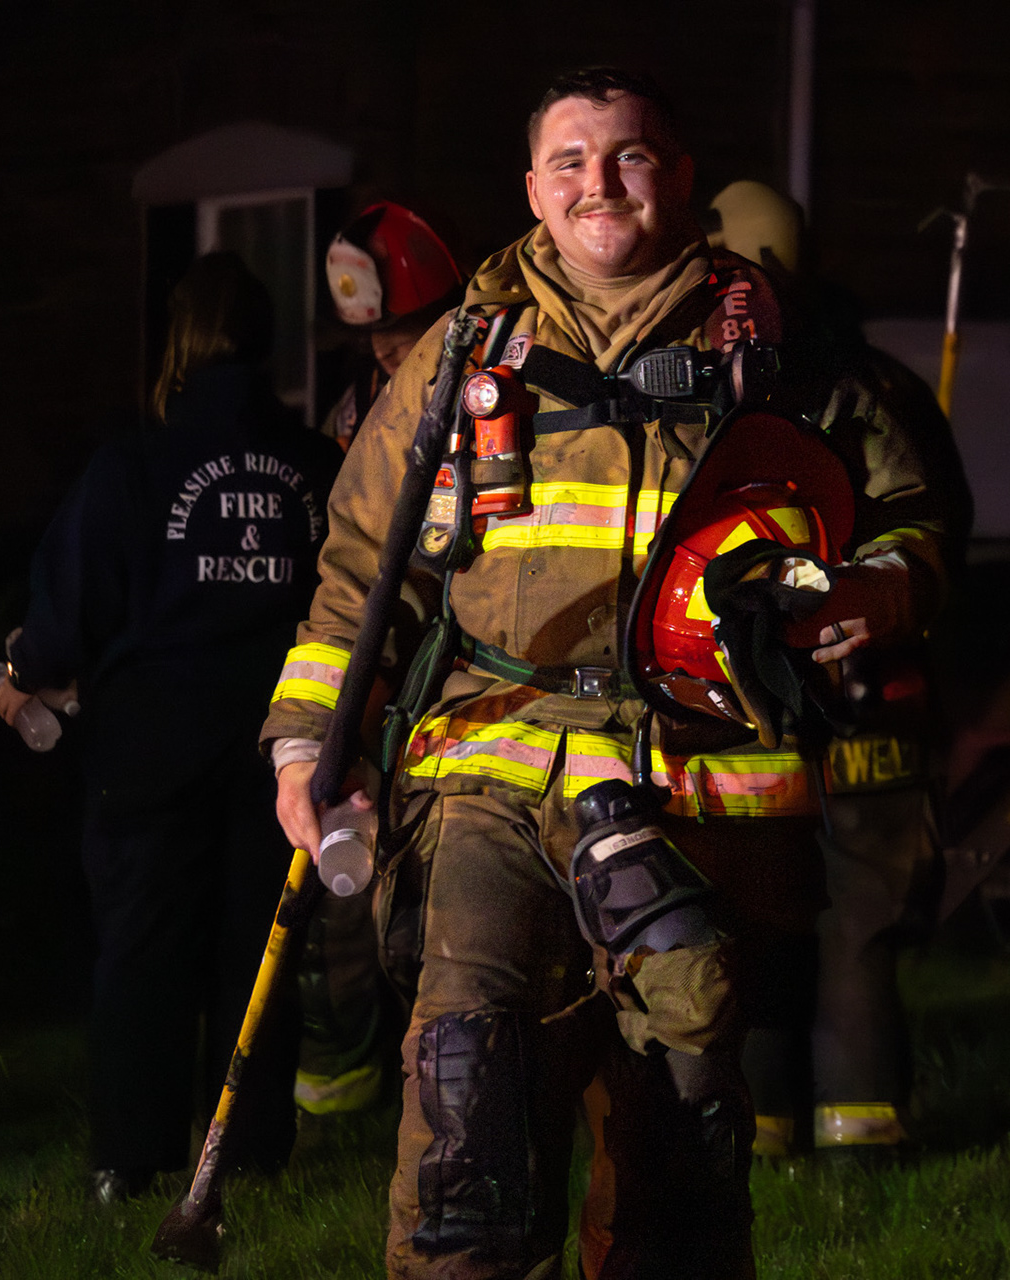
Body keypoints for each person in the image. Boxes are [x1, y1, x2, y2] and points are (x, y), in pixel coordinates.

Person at [262, 68, 962, 1279]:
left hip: (699, 800)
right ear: (533, 189)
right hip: (489, 778)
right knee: (467, 1125)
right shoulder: (461, 355)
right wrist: (303, 743)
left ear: (679, 178)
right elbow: (359, 576)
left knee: (676, 1167)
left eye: (630, 156)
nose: (601, 182)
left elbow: (911, 515)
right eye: (572, 161)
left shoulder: (781, 353)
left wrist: (869, 591)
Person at [0, 252, 342, 1203]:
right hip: (283, 746)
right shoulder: (316, 467)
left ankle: (129, 1159)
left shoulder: (134, 466)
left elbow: (66, 618)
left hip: (148, 744)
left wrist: (21, 674)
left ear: (177, 342)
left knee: (144, 945)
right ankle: (250, 1153)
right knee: (257, 946)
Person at [705, 180, 969, 1159]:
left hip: (826, 699)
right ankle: (825, 1133)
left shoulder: (833, 395)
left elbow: (922, 535)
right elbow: (939, 532)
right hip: (820, 702)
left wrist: (855, 596)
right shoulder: (865, 386)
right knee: (830, 919)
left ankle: (812, 1135)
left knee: (803, 915)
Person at [297, 203, 463, 1120]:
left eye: (404, 337)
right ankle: (349, 1086)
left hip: (460, 699)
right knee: (356, 896)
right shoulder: (358, 415)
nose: (391, 358)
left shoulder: (490, 388)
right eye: (377, 342)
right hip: (383, 698)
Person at [320, 202, 464, 452]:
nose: (380, 350)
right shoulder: (357, 404)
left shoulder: (479, 393)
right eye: (371, 333)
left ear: (443, 320)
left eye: (395, 329)